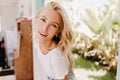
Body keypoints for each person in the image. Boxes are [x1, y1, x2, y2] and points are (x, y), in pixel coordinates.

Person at [34, 1, 74, 80]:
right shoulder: (37, 39)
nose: (44, 29)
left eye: (53, 25)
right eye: (43, 20)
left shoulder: (56, 56)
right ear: (37, 18)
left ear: (58, 31)